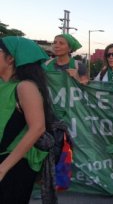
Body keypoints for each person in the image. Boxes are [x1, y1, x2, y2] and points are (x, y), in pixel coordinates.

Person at [0, 36, 54, 203]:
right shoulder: (3, 84)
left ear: (10, 58)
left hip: (15, 164)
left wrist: (4, 168)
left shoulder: (25, 87)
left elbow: (37, 128)